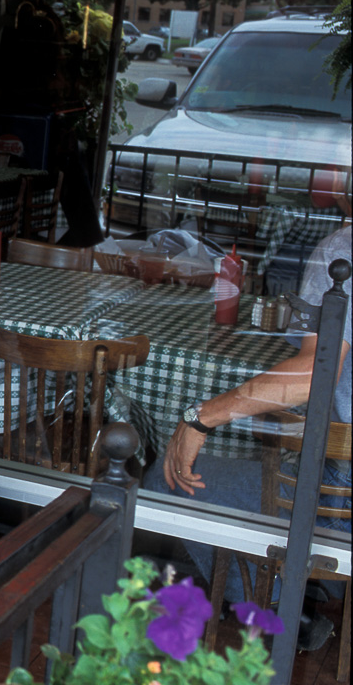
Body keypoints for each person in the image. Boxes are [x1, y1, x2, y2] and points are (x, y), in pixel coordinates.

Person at [144, 217, 351, 606]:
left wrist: (200, 417)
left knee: (165, 475)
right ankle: (314, 587)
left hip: (341, 498)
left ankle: (270, 608)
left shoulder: (343, 250)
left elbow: (314, 375)